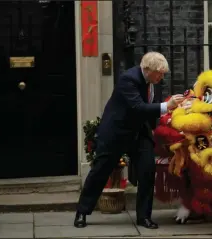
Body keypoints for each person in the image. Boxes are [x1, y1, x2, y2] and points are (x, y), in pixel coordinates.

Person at [74, 52, 185, 229]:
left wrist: (162, 123)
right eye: (159, 73)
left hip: (139, 133)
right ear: (147, 70)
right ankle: (82, 212)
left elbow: (150, 109)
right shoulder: (128, 79)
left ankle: (144, 217)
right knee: (100, 171)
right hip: (116, 132)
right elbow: (138, 107)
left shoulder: (153, 81)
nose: (162, 77)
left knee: (147, 172)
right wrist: (167, 106)